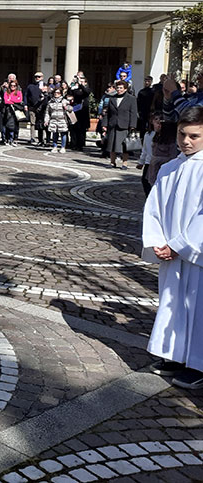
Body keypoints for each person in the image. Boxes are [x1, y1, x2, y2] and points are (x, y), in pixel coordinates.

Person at [143, 106, 203, 389]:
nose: (186, 141)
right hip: (170, 252)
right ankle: (174, 355)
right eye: (182, 134)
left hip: (195, 254)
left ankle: (198, 363)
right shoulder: (170, 168)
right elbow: (153, 209)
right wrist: (157, 242)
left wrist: (180, 245)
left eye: (194, 136)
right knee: (172, 302)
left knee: (197, 307)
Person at [104, 80, 138, 169]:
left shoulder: (131, 99)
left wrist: (133, 125)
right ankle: (112, 162)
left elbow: (133, 113)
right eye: (117, 88)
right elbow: (108, 113)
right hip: (113, 124)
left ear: (125, 89)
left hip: (124, 125)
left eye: (121, 88)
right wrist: (105, 124)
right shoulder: (112, 98)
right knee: (111, 145)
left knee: (124, 146)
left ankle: (125, 163)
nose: (119, 90)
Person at [44, 86, 71, 153]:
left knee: (63, 134)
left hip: (62, 119)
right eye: (55, 92)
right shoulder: (50, 101)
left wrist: (65, 106)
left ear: (61, 93)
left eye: (58, 93)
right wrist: (46, 120)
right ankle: (55, 147)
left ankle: (63, 147)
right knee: (54, 134)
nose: (56, 94)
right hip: (53, 119)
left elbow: (71, 109)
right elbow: (47, 112)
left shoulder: (64, 101)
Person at [25, 72, 48, 146]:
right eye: (36, 77)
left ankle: (42, 139)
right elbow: (26, 95)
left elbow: (48, 96)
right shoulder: (30, 86)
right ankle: (32, 137)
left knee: (41, 124)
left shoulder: (45, 85)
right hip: (32, 107)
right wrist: (25, 104)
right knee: (32, 123)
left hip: (42, 108)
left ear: (42, 77)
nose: (37, 78)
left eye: (39, 77)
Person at [2, 79, 23, 145]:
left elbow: (19, 100)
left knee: (16, 126)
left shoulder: (19, 92)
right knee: (8, 125)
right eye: (11, 85)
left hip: (16, 111)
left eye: (14, 85)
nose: (12, 87)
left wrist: (11, 99)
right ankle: (8, 139)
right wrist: (14, 99)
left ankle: (15, 139)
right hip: (8, 111)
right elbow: (6, 101)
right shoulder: (6, 92)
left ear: (16, 86)